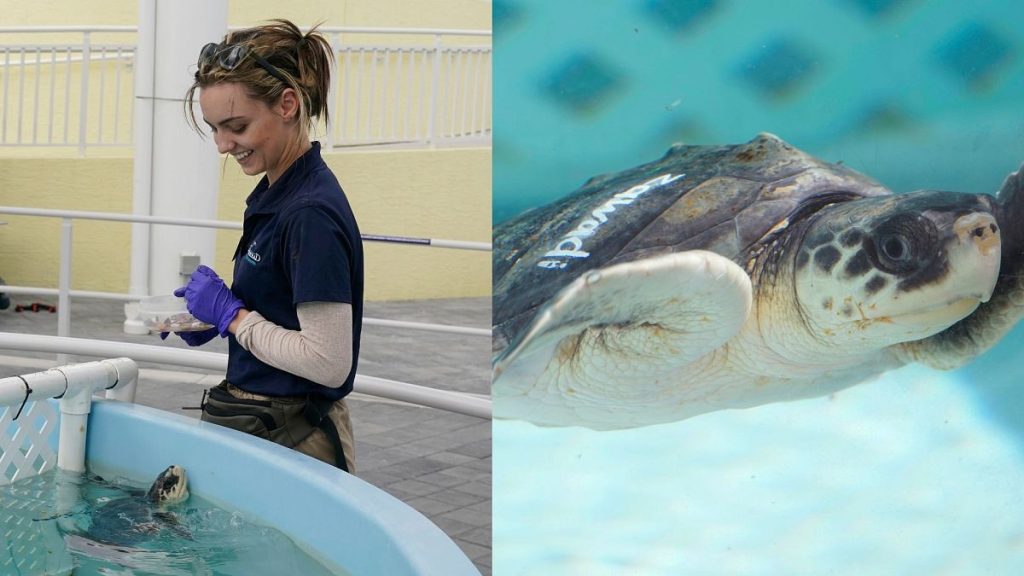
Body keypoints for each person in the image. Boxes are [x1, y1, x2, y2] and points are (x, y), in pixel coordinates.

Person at [167, 20, 362, 473]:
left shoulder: (309, 212)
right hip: (266, 426)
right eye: (214, 128)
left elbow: (328, 362)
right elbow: (282, 315)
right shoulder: (280, 191)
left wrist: (232, 317)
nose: (222, 145)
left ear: (288, 104)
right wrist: (216, 316)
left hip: (297, 441)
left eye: (236, 126)